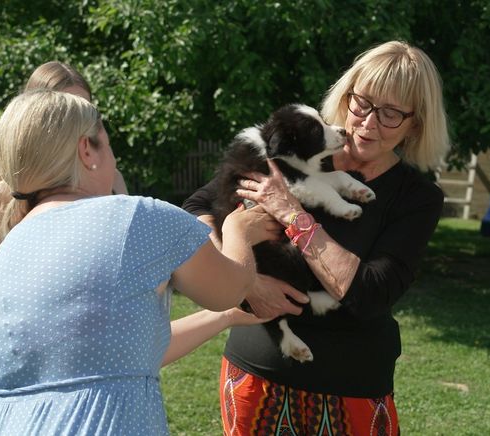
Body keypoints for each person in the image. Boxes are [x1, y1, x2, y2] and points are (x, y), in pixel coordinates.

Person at [0, 89, 279, 435]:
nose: (115, 160)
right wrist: (238, 230)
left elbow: (115, 354)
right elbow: (229, 288)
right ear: (87, 150)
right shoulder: (137, 218)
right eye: (109, 144)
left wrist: (225, 319)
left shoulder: (7, 250)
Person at [182, 40, 450, 435]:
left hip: (351, 390)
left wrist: (293, 213)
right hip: (256, 377)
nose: (369, 122)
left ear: (416, 123)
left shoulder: (417, 198)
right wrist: (245, 280)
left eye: (391, 113)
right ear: (347, 95)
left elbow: (370, 294)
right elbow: (197, 207)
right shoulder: (296, 147)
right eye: (363, 103)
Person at [0, 61, 128, 302]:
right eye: (62, 111)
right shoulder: (5, 196)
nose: (76, 125)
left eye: (84, 110)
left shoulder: (113, 180)